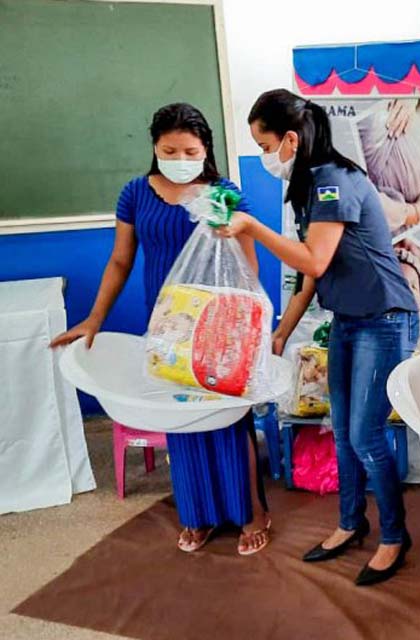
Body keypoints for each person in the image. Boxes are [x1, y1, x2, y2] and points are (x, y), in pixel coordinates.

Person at [217, 89, 420, 586]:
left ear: (289, 139)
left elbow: (313, 260)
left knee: (365, 435)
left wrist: (252, 227)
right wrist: (282, 332)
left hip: (385, 318)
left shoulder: (334, 181)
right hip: (350, 319)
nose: (265, 157)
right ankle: (351, 523)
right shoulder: (310, 185)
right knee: (343, 431)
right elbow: (312, 277)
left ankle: (394, 536)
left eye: (264, 145)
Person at [50, 103, 271, 556]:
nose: (180, 157)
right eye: (169, 149)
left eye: (189, 149)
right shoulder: (135, 193)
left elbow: (247, 266)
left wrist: (250, 325)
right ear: (155, 147)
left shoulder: (224, 193)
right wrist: (95, 318)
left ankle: (251, 513)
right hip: (166, 326)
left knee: (226, 419)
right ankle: (198, 515)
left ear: (205, 148)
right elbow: (120, 260)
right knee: (179, 418)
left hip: (217, 325)